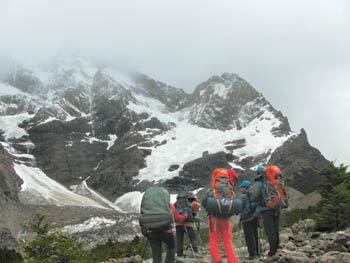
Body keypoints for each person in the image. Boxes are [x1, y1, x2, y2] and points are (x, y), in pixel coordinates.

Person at [139, 186, 189, 263]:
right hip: (166, 232)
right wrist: (185, 215)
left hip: (151, 232)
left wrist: (146, 233)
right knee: (171, 248)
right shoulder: (169, 206)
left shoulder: (147, 208)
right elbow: (178, 219)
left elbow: (142, 222)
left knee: (156, 255)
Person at [202, 168, 240, 263]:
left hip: (214, 218)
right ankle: (233, 261)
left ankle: (218, 260)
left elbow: (204, 203)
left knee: (214, 240)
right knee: (228, 241)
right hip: (227, 218)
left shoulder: (213, 188)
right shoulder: (230, 188)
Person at [251, 165, 282, 257]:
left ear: (258, 173)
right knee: (275, 229)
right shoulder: (274, 181)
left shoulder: (259, 184)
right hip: (276, 208)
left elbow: (254, 196)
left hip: (266, 210)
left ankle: (272, 253)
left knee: (270, 231)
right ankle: (275, 249)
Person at [174, 191, 200, 257]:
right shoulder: (190, 202)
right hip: (188, 223)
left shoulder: (175, 203)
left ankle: (179, 254)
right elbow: (194, 212)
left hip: (178, 223)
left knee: (179, 239)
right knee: (192, 238)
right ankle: (195, 252)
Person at [239, 180, 260, 259]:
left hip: (246, 218)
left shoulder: (243, 196)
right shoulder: (254, 194)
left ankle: (252, 255)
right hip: (255, 216)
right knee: (255, 235)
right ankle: (258, 253)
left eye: (241, 187)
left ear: (245, 188)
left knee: (249, 237)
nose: (240, 189)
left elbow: (240, 207)